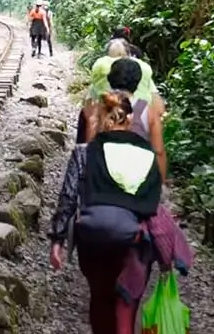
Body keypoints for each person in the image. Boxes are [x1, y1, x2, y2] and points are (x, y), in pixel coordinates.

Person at [48, 91, 164, 334]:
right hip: (133, 239)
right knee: (127, 302)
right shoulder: (147, 154)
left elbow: (68, 197)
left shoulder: (84, 152)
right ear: (129, 120)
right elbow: (153, 202)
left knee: (100, 299)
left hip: (93, 236)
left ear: (99, 120)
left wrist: (57, 240)